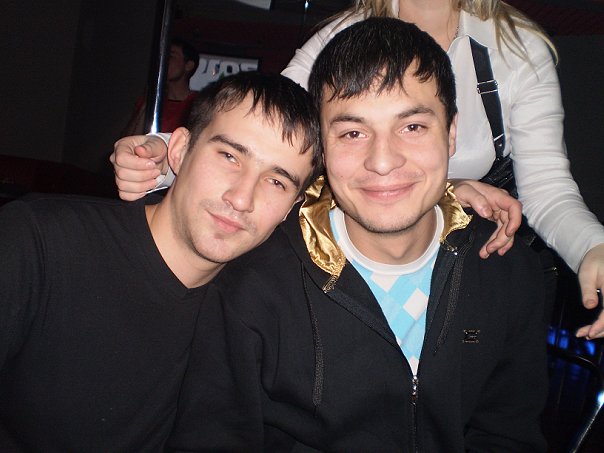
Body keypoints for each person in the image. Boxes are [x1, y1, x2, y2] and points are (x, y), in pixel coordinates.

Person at [112, 0, 604, 338]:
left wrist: (592, 247)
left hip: (469, 266)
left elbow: (547, 186)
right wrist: (163, 160)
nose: (384, 157)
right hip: (347, 263)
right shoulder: (340, 36)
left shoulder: (515, 47)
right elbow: (268, 129)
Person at [166, 18, 548, 452]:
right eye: (352, 133)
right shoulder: (254, 285)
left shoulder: (507, 270)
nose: (382, 161)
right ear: (322, 149)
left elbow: (508, 434)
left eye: (412, 127)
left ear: (451, 134)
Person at [0, 72, 321, 452]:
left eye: (277, 182)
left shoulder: (259, 313)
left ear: (291, 208)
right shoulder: (40, 242)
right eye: (229, 156)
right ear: (180, 151)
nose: (241, 198)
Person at [122, 38, 200, 136]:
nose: (164, 62)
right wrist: (146, 104)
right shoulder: (152, 101)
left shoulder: (198, 103)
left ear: (188, 65)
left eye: (171, 56)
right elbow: (128, 139)